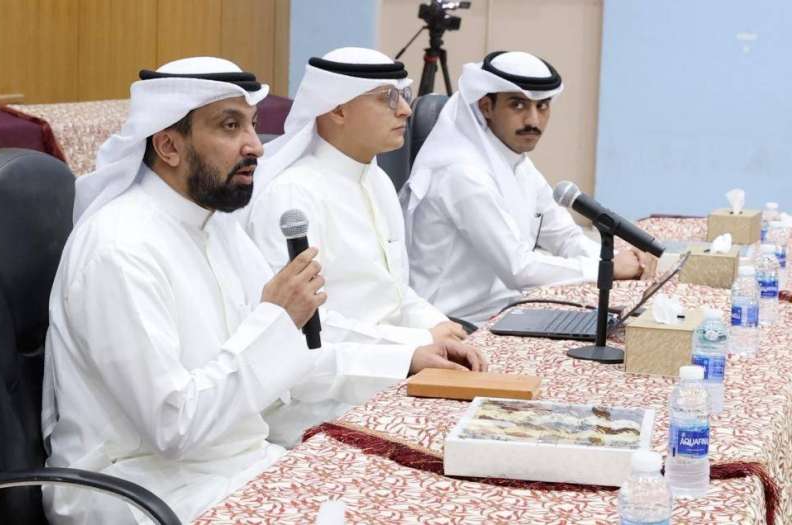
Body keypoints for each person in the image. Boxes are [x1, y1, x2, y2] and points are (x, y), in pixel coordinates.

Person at [43, 56, 485, 524]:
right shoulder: (119, 249)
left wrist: (405, 359)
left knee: (415, 498)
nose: (255, 145)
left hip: (236, 466)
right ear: (169, 145)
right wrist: (276, 318)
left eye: (252, 125)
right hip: (141, 489)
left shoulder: (219, 229)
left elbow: (290, 365)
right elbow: (174, 427)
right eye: (230, 126)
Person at [242, 47, 469, 347]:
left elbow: (395, 293)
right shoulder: (292, 196)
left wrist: (439, 325)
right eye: (387, 97)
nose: (406, 110)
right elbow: (302, 324)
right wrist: (416, 341)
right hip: (340, 373)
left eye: (404, 95)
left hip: (399, 355)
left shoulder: (378, 181)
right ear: (338, 110)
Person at [400, 51, 645, 324]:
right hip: (455, 324)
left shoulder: (514, 161)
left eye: (542, 106)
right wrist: (606, 270)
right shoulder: (461, 172)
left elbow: (563, 236)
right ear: (486, 107)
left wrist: (616, 260)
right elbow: (518, 269)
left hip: (505, 311)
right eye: (518, 105)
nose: (533, 121)